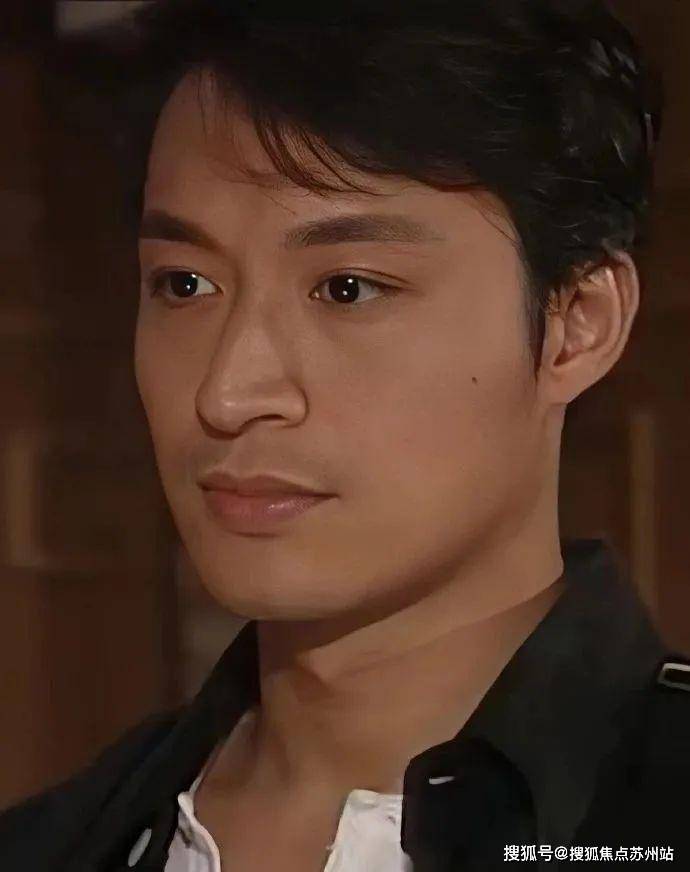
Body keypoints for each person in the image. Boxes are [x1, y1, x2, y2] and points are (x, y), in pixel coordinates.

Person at [2, 0, 689, 870]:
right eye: (183, 285)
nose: (227, 393)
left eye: (348, 288)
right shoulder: (56, 842)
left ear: (577, 324)